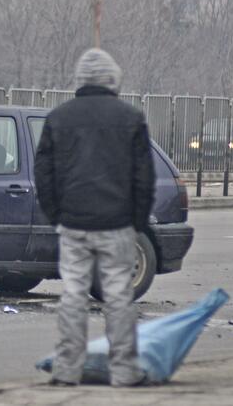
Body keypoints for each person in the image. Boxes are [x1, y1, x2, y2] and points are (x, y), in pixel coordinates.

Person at [34, 48, 155, 387]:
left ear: (80, 79)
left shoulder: (59, 118)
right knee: (118, 296)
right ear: (113, 78)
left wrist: (56, 214)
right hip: (117, 224)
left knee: (73, 295)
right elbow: (143, 177)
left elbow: (43, 173)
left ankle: (67, 370)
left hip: (73, 223)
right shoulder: (131, 118)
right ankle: (124, 371)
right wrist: (137, 221)